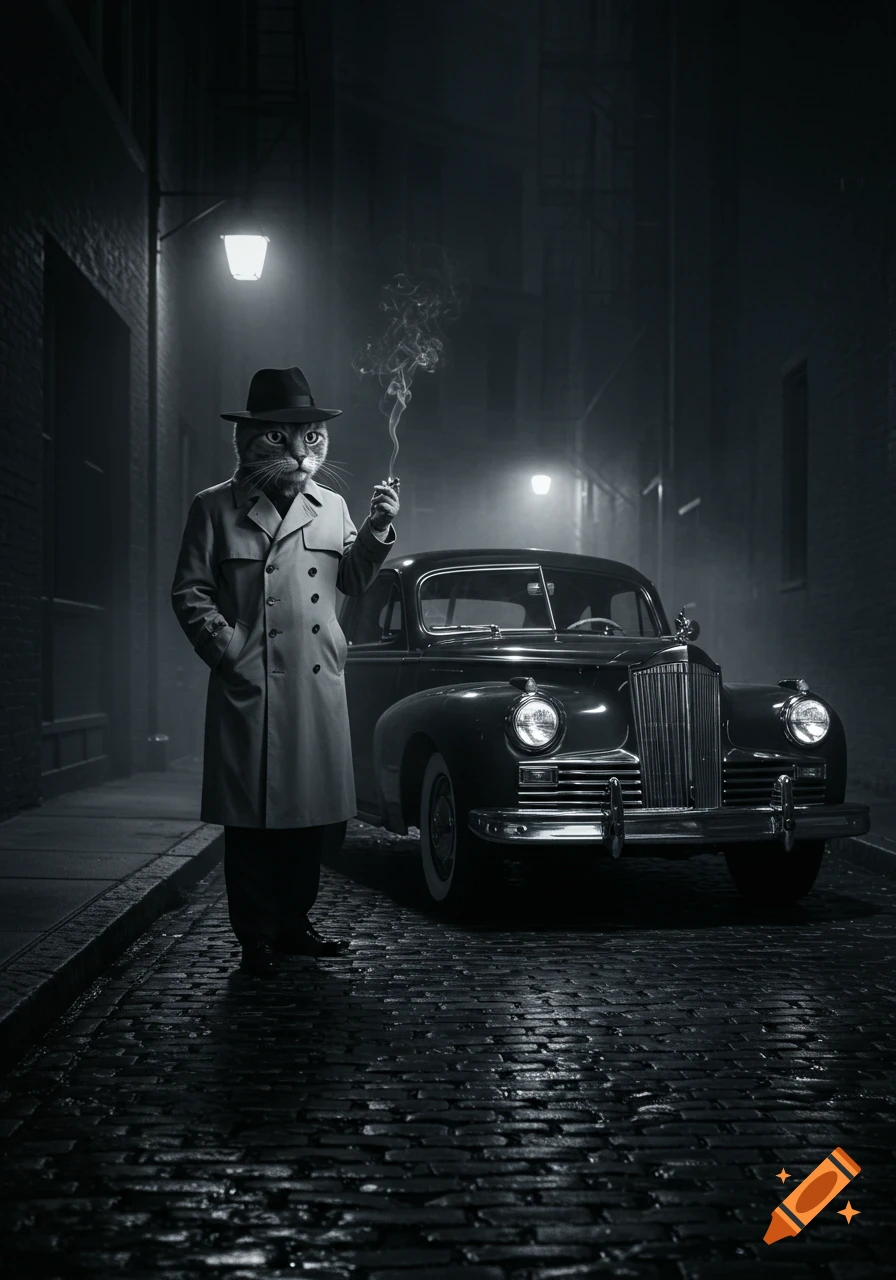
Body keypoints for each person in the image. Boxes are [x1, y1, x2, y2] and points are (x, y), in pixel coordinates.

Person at [171, 366, 399, 976]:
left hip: (317, 678)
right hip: (252, 683)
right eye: (280, 438)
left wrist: (377, 532)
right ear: (246, 438)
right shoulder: (213, 508)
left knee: (313, 821)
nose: (301, 453)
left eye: (311, 438)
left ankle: (296, 925)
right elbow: (190, 593)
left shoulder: (335, 506)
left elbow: (352, 580)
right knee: (249, 824)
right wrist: (230, 651)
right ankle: (256, 938)